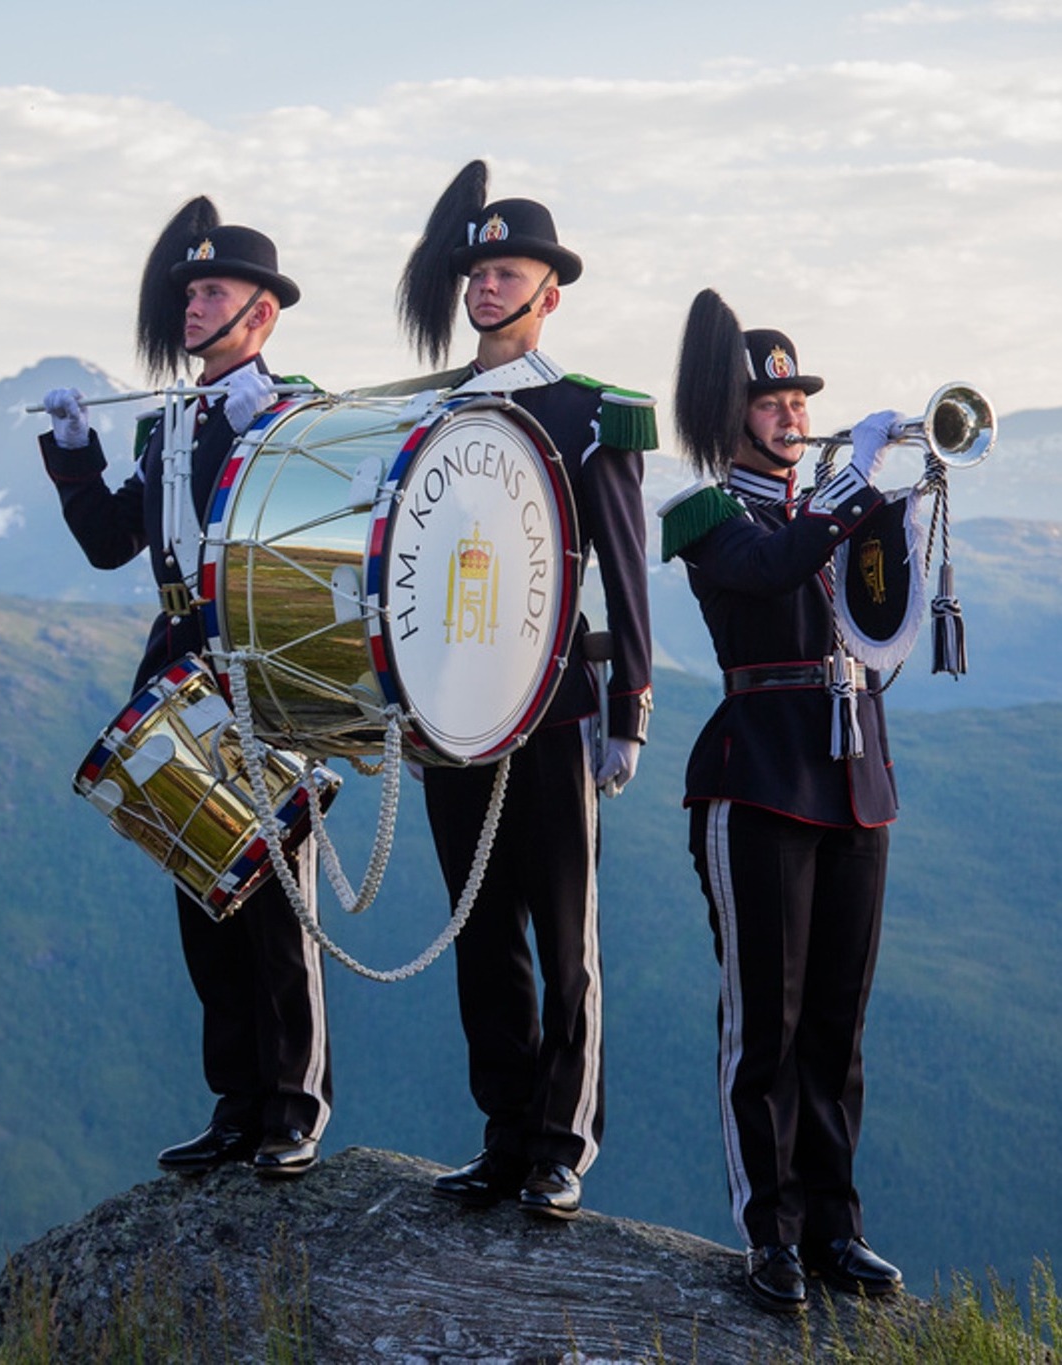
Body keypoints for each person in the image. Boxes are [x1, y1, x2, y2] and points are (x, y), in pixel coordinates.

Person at [39, 198, 330, 1179]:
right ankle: (236, 1103)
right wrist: (76, 457)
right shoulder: (166, 421)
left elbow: (319, 533)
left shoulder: (294, 408)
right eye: (190, 291)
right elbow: (112, 544)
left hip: (258, 656)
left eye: (214, 290)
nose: (194, 305)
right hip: (175, 655)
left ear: (262, 312)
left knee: (274, 893)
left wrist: (276, 438)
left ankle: (294, 1104)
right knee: (202, 885)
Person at [395, 160, 655, 1220]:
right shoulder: (428, 410)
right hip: (453, 705)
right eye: (477, 273)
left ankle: (561, 1143)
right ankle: (503, 1134)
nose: (486, 287)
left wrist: (629, 711)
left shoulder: (594, 412)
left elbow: (630, 574)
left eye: (508, 272)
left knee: (563, 933)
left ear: (551, 291)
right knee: (481, 927)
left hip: (554, 705)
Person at [662, 288, 905, 1311]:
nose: (791, 413)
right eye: (769, 402)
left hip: (852, 773)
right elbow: (765, 573)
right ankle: (773, 1236)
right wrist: (853, 492)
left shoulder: (834, 516)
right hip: (758, 775)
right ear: (731, 418)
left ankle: (837, 1229)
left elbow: (884, 628)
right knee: (767, 1020)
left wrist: (899, 509)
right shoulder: (707, 513)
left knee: (836, 1024)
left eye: (798, 397)